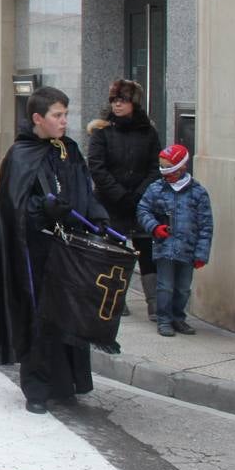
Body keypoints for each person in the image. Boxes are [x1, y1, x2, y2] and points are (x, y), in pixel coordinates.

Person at [0, 86, 110, 414]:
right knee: (40, 320)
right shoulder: (20, 155)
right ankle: (37, 388)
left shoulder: (68, 149)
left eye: (66, 114)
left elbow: (84, 189)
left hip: (69, 250)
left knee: (68, 317)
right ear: (38, 118)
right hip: (36, 253)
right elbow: (14, 208)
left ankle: (64, 383)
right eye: (58, 115)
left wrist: (97, 217)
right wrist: (44, 209)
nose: (64, 121)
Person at [87, 80, 162, 319]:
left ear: (134, 102)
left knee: (147, 250)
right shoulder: (102, 132)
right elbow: (97, 167)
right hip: (111, 201)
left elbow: (154, 167)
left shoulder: (148, 133)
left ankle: (155, 304)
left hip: (141, 202)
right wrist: (119, 193)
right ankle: (115, 298)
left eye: (123, 99)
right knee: (114, 250)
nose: (117, 104)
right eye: (114, 100)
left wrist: (139, 193)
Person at [138, 143, 213, 337]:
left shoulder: (198, 193)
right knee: (165, 286)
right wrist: (154, 227)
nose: (165, 175)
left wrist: (201, 253)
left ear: (182, 168)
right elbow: (143, 210)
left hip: (188, 250)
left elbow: (206, 226)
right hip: (165, 248)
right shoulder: (156, 189)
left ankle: (178, 317)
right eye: (162, 169)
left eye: (169, 170)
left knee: (182, 288)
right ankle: (164, 319)